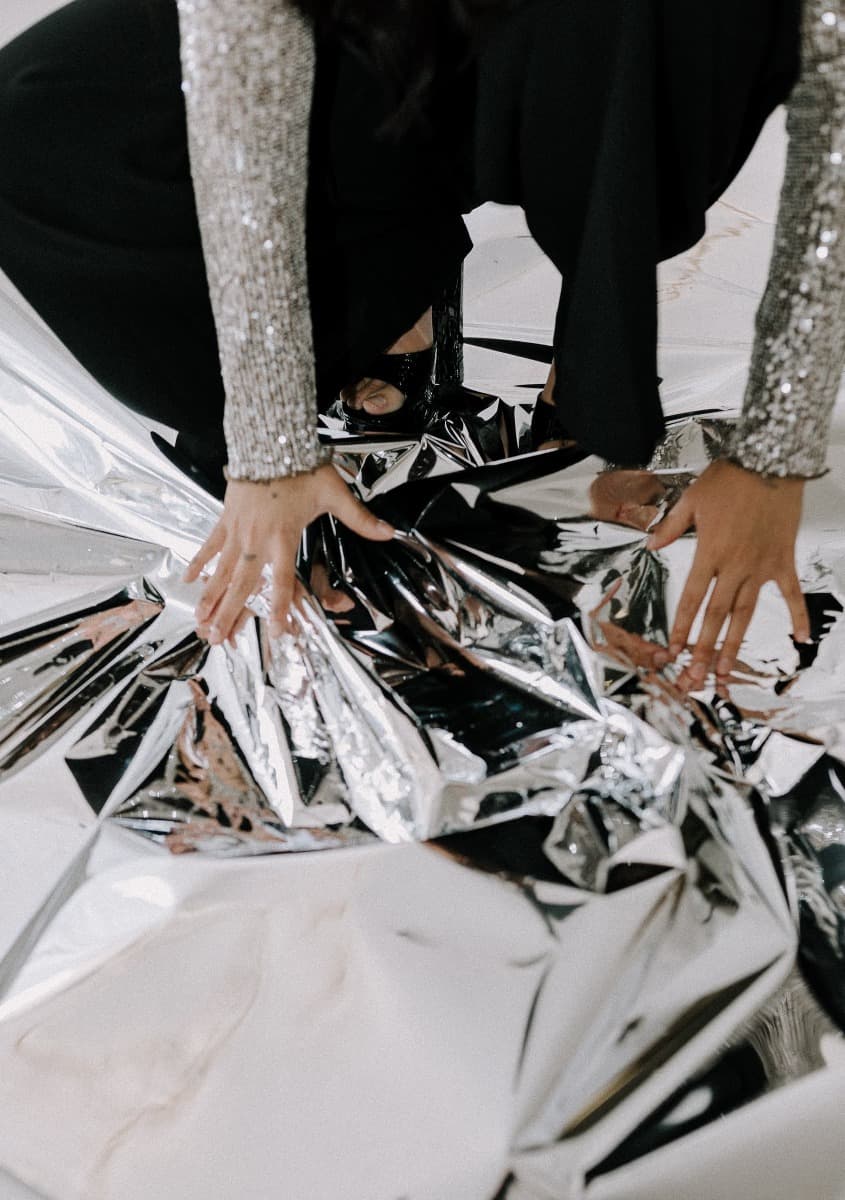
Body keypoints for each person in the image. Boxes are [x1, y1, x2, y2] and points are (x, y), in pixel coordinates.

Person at [0, 0, 832, 682]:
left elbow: (824, 161)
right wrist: (269, 443)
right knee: (174, 360)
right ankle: (377, 304)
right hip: (178, 120)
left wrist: (772, 456)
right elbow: (240, 120)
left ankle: (393, 296)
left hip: (477, 90)